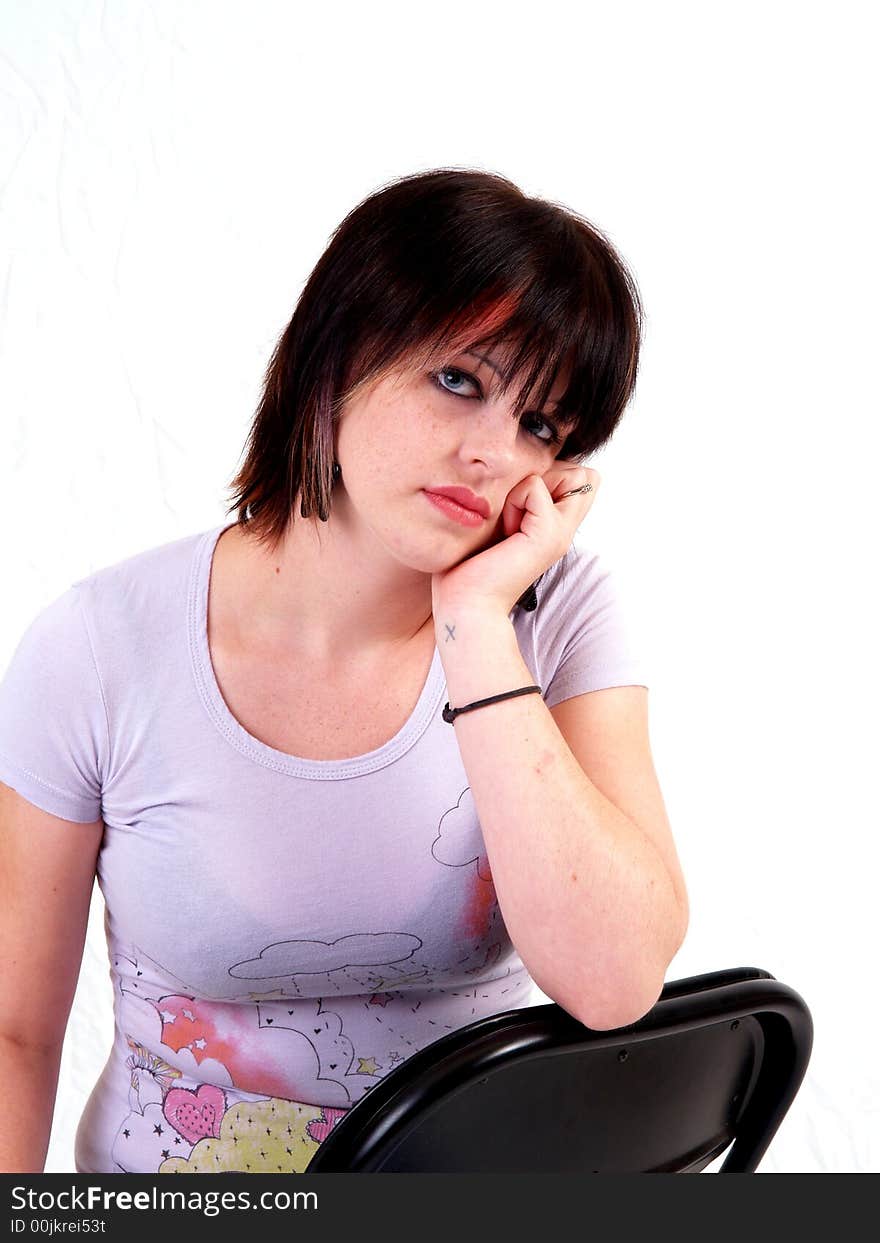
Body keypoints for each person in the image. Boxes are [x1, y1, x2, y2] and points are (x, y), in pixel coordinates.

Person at [0, 167, 689, 1174]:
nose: (494, 452)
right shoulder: (99, 645)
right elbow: (15, 1035)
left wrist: (476, 626)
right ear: (333, 359)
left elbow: (615, 982)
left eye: (540, 425)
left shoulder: (559, 615)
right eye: (459, 380)